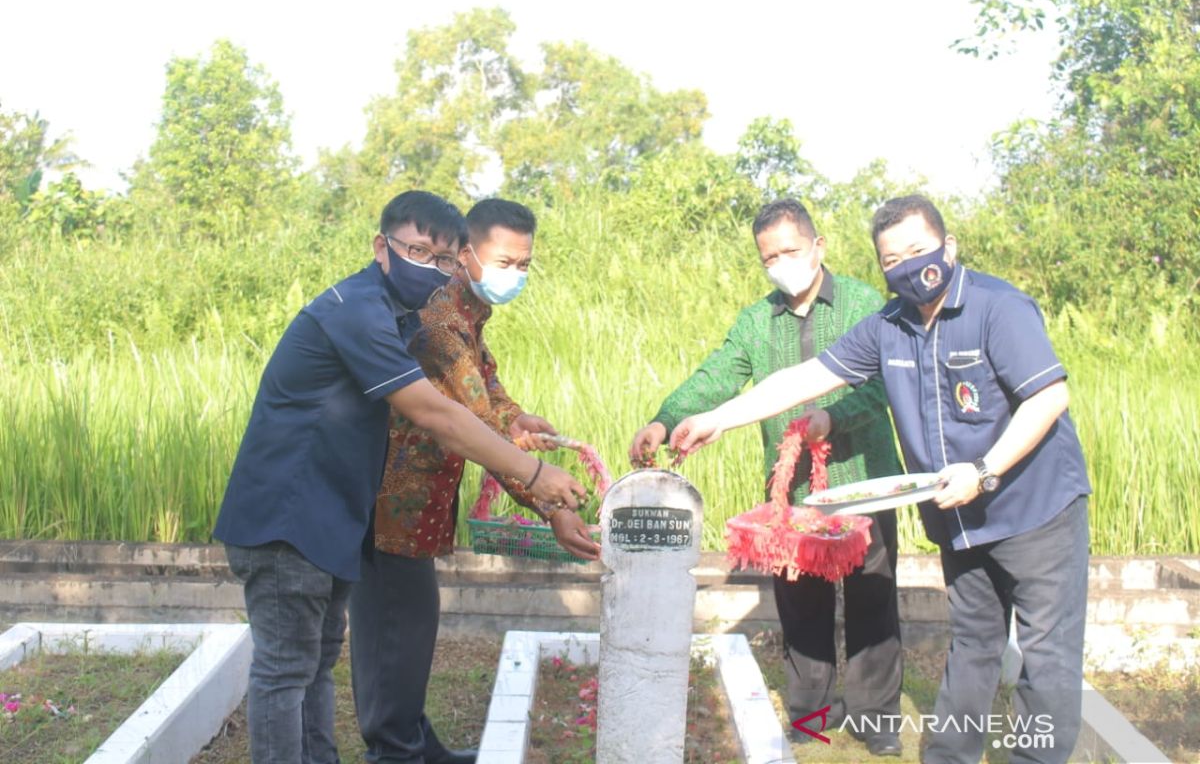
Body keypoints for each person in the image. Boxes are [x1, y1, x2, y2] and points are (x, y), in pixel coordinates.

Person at [671, 195, 1091, 764]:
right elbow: (803, 379)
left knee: (1045, 655)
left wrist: (986, 470)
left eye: (919, 251)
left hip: (1035, 511)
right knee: (973, 643)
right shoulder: (887, 326)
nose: (909, 267)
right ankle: (949, 756)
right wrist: (715, 419)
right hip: (958, 515)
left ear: (949, 247)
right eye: (893, 259)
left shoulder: (998, 307)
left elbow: (1048, 396)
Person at [213, 190, 586, 764]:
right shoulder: (360, 312)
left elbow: (482, 395)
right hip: (289, 512)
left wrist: (520, 434)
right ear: (381, 246)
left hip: (331, 512)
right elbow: (441, 414)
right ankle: (396, 748)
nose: (430, 270)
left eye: (439, 260)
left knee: (314, 662)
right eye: (416, 251)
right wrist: (536, 476)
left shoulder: (399, 313)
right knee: (287, 669)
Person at [629, 198, 905, 757]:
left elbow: (885, 385)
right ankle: (811, 718)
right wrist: (665, 418)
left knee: (872, 600)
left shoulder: (864, 305)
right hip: (792, 495)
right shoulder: (756, 321)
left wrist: (834, 417)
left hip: (863, 483)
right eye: (769, 257)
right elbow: (716, 376)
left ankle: (876, 721)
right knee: (801, 607)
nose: (782, 263)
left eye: (791, 251)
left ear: (818, 247)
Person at [350, 198, 600, 764]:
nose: (516, 274)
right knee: (396, 629)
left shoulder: (465, 313)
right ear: (466, 255)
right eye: (505, 260)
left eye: (525, 264)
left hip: (416, 507)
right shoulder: (439, 322)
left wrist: (518, 420)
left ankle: (413, 741)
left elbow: (488, 391)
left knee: (407, 629)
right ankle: (395, 751)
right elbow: (474, 422)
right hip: (392, 506)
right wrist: (550, 505)